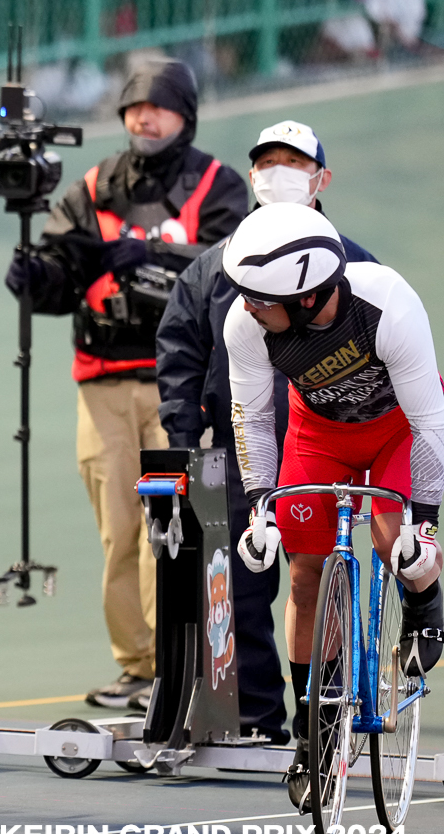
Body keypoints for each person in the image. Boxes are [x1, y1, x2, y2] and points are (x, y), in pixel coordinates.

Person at [5, 60, 248, 710]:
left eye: (159, 107)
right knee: (120, 529)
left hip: (182, 382)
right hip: (104, 383)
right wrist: (37, 278)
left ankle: (184, 663)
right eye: (134, 107)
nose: (144, 117)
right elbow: (65, 271)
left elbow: (237, 265)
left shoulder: (219, 185)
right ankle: (138, 666)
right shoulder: (93, 185)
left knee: (174, 525)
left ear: (185, 115)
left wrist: (157, 255)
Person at [156, 120, 376, 742]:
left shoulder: (354, 264)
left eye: (294, 162)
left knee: (319, 579)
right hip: (234, 451)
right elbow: (180, 352)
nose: (278, 173)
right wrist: (183, 439)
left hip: (327, 446)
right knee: (242, 593)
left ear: (321, 179)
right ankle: (257, 721)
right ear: (252, 176)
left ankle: (326, 714)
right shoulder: (214, 269)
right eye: (267, 163)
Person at [222, 201, 443, 805]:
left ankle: (426, 605)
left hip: (399, 427)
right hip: (317, 435)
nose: (244, 306)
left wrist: (424, 528)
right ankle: (313, 733)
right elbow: (253, 418)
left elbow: (430, 427)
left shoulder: (387, 304)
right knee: (303, 575)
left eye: (256, 297)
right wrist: (261, 508)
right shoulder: (246, 327)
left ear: (307, 296)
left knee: (392, 535)